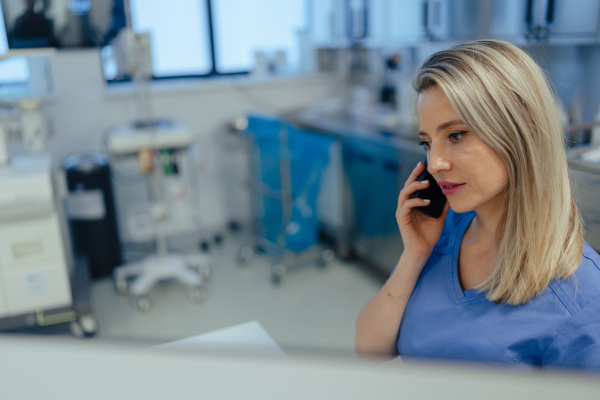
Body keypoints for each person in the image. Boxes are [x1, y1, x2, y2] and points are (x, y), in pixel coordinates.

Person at [355, 39, 600, 370]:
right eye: (426, 142)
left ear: (519, 133)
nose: (434, 163)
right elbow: (369, 350)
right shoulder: (444, 228)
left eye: (456, 135)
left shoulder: (581, 295)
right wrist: (413, 255)